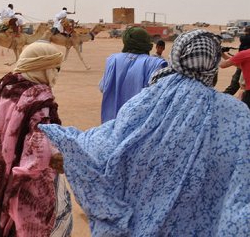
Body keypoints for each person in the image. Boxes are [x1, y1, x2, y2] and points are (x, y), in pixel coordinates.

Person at [40, 30, 250, 236]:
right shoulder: (236, 113)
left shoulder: (146, 98)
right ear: (212, 62)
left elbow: (111, 139)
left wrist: (73, 149)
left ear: (177, 55)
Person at [0, 41, 73, 237]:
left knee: (0, 216)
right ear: (43, 68)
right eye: (55, 68)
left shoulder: (7, 87)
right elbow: (40, 151)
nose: (56, 74)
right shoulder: (40, 100)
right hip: (24, 177)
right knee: (29, 221)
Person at [99, 27, 167, 122]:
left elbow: (102, 87)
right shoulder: (155, 64)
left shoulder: (112, 60)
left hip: (111, 124)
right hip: (138, 126)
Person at [220, 37, 250, 109]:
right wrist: (223, 55)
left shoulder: (245, 54)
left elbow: (222, 65)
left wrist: (219, 54)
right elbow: (239, 64)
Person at [223, 26, 250, 96]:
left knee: (235, 88)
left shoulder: (244, 39)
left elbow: (223, 65)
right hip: (243, 63)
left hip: (243, 64)